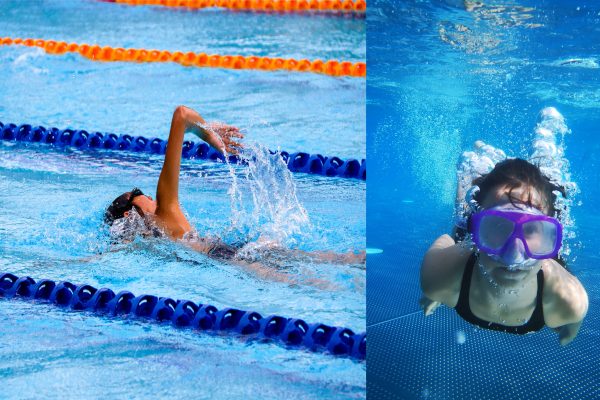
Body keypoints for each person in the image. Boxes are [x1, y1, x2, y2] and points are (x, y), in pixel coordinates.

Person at [104, 105, 364, 284]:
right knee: (326, 271)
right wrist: (208, 135)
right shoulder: (164, 209)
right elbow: (181, 115)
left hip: (229, 257)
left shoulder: (152, 241)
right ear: (130, 211)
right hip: (231, 255)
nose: (148, 194)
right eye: (138, 193)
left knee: (311, 276)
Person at [420, 158, 588, 345]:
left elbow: (575, 318)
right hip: (462, 256)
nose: (513, 257)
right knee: (461, 227)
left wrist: (572, 329)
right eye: (498, 225)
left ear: (550, 238)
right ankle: (468, 172)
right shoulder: (438, 278)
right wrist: (435, 292)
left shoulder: (570, 301)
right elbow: (445, 241)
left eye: (532, 229)